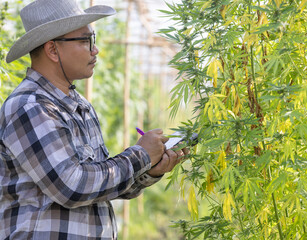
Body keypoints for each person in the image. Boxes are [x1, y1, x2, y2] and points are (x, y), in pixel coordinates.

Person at [0, 0, 188, 239]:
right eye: (85, 40)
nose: (95, 49)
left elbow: (99, 187)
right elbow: (72, 186)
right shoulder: (30, 106)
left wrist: (150, 169)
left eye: (94, 39)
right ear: (52, 50)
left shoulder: (80, 106)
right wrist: (140, 155)